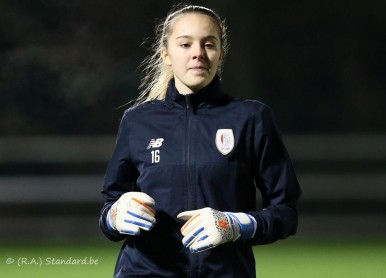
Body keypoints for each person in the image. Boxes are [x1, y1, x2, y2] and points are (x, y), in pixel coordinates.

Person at [99, 4, 301, 278]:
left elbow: (286, 213)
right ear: (166, 54)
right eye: (185, 44)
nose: (198, 53)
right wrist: (114, 217)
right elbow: (111, 207)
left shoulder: (252, 118)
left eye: (209, 44)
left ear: (221, 54)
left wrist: (237, 225)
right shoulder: (137, 121)